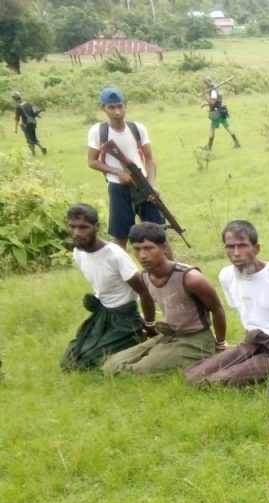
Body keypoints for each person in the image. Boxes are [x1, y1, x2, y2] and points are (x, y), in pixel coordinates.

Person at [184, 220, 269, 387]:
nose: (236, 253)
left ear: (256, 248)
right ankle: (249, 358)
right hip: (251, 340)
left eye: (242, 246)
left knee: (220, 381)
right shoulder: (226, 276)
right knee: (194, 375)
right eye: (230, 247)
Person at [103, 223, 227, 375]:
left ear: (163, 248)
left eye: (149, 248)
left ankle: (202, 355)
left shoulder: (190, 278)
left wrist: (220, 345)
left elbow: (217, 309)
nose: (142, 255)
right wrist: (149, 325)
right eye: (137, 249)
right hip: (168, 335)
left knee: (137, 370)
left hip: (195, 340)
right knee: (110, 365)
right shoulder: (145, 277)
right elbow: (146, 298)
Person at [61, 203, 156, 371]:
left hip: (125, 318)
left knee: (90, 360)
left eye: (83, 227)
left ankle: (137, 337)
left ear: (96, 227)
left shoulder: (114, 254)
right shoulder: (78, 251)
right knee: (72, 356)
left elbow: (143, 291)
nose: (77, 233)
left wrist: (149, 325)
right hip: (103, 313)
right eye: (72, 227)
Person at [86, 87, 164, 249]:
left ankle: (170, 271)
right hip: (118, 187)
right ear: (103, 108)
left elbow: (149, 159)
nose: (117, 111)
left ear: (125, 105)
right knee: (120, 236)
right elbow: (92, 162)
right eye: (111, 107)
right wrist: (117, 172)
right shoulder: (99, 131)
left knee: (158, 232)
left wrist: (152, 184)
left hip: (142, 184)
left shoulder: (137, 128)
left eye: (120, 106)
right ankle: (119, 273)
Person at [200, 75, 241, 150]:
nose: (205, 85)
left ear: (207, 83)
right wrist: (205, 104)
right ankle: (237, 142)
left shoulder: (213, 91)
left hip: (216, 113)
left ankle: (209, 146)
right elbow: (215, 101)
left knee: (212, 128)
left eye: (205, 83)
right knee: (227, 127)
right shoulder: (214, 90)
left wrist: (205, 98)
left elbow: (212, 102)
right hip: (220, 111)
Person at [11, 91, 46, 156]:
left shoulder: (18, 107)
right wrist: (38, 116)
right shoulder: (28, 103)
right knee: (34, 138)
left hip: (26, 125)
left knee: (29, 140)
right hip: (33, 123)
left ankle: (33, 154)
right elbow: (33, 113)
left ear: (14, 98)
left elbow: (17, 119)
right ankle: (41, 148)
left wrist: (15, 129)